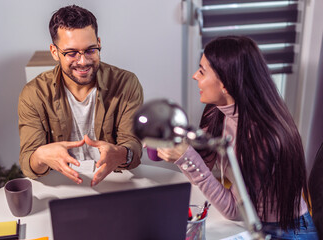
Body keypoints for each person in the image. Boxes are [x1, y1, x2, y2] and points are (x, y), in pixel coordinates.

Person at [157, 36, 319, 239]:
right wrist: (179, 147)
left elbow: (235, 210)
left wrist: (186, 158)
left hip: (286, 230)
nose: (194, 76)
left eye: (202, 71)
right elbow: (204, 166)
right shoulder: (216, 111)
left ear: (225, 84)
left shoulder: (260, 135)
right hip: (254, 223)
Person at [18, 5, 143, 186]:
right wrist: (40, 156)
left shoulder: (126, 83)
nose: (83, 61)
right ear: (55, 52)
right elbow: (28, 163)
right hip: (62, 184)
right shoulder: (34, 94)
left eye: (91, 50)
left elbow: (134, 149)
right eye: (71, 53)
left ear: (99, 43)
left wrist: (122, 153)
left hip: (113, 180)